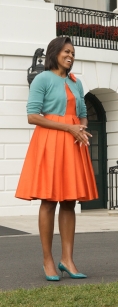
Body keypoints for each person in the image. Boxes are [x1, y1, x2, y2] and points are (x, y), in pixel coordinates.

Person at [16, 36, 98, 281]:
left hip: (73, 144)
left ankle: (67, 260)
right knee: (49, 201)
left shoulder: (76, 82)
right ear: (55, 53)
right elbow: (32, 116)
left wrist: (81, 129)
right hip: (50, 142)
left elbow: (82, 114)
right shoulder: (42, 78)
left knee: (70, 201)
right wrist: (69, 129)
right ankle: (47, 260)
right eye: (66, 51)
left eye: (73, 52)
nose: (70, 55)